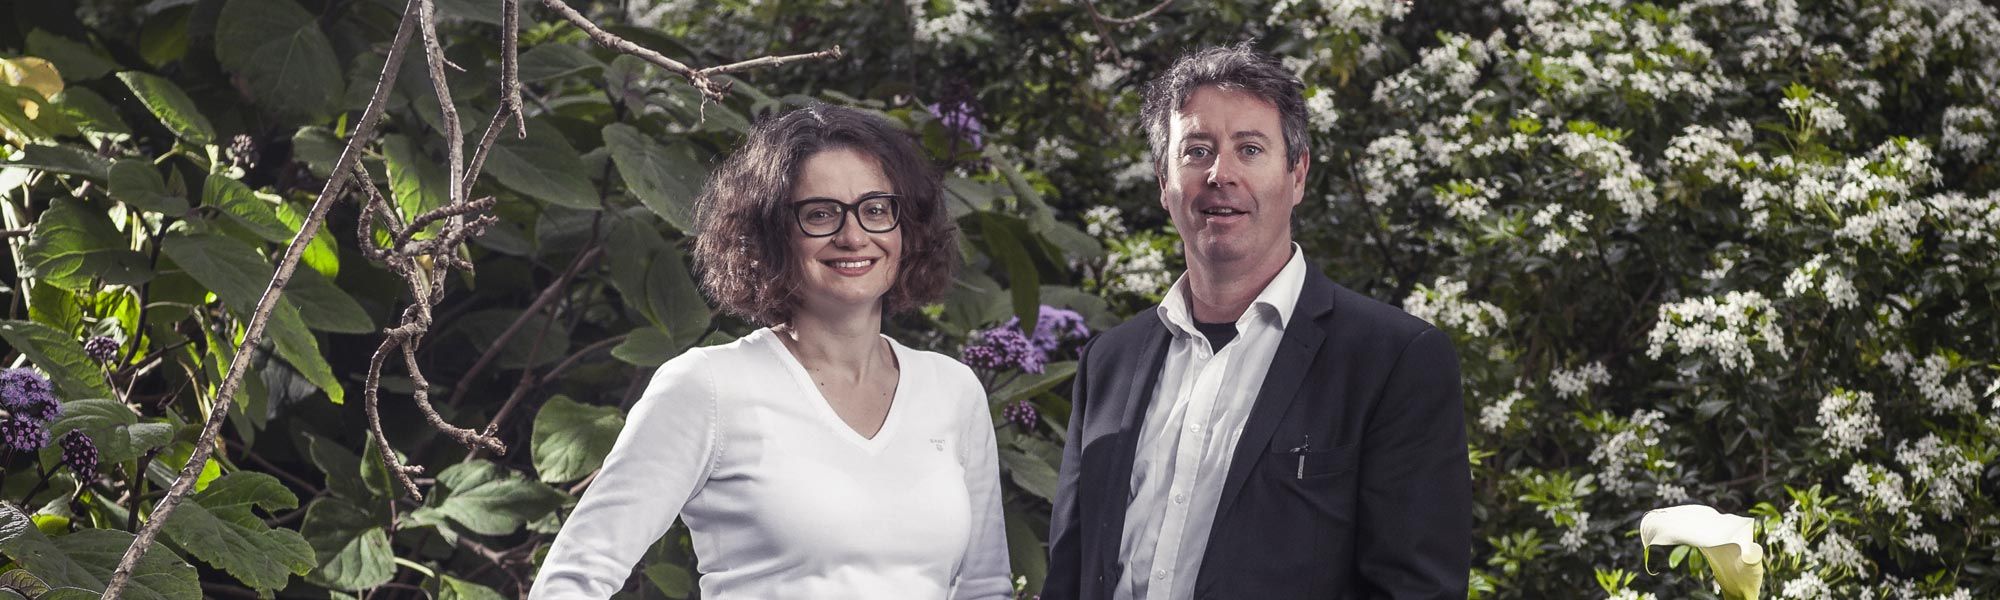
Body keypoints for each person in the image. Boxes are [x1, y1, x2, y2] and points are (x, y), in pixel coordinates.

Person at [531, 103, 1011, 599]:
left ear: (906, 227)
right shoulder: (709, 386)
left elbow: (985, 589)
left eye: (875, 209)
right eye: (820, 214)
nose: (853, 236)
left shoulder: (952, 390)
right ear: (768, 233)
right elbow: (573, 579)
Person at [1043, 45, 1472, 599]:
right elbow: (1069, 577)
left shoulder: (1394, 359)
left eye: (1250, 149)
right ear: (1163, 182)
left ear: (1297, 175)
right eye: (1196, 151)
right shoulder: (1109, 363)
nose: (1221, 174)